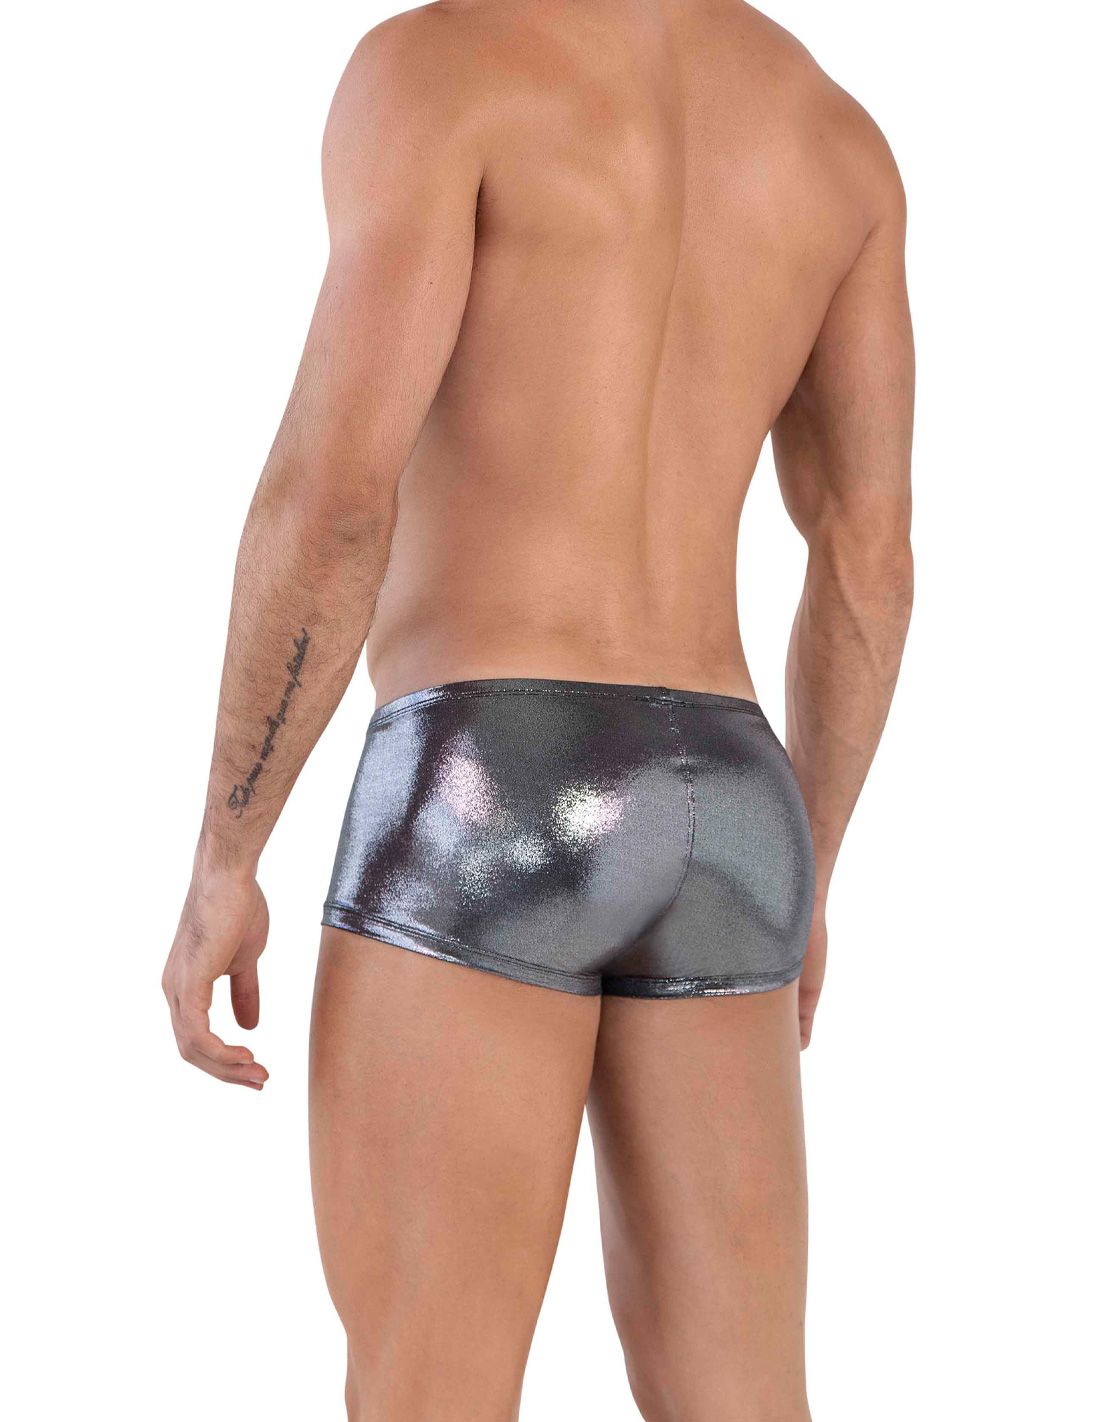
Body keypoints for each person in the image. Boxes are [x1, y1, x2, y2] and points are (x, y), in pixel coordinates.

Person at [162, 0, 913, 1415]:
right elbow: (868, 558)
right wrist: (805, 869)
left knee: (430, 1388)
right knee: (747, 1396)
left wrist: (225, 854)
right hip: (732, 802)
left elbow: (334, 501)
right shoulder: (832, 138)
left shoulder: (442, 66)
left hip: (492, 772)